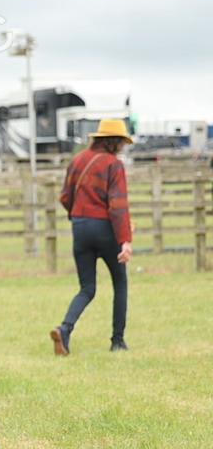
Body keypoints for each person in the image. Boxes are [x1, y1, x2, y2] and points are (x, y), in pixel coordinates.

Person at [51, 118, 134, 355]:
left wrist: (80, 217)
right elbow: (117, 206)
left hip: (80, 227)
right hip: (105, 229)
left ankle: (64, 329)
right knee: (120, 283)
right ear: (115, 142)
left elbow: (65, 197)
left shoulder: (77, 160)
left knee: (87, 288)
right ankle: (117, 341)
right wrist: (125, 240)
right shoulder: (114, 165)